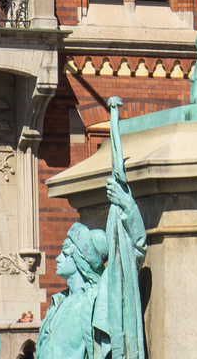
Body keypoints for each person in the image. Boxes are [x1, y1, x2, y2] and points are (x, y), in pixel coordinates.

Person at [36, 99, 146, 359]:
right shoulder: (58, 303)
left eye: (66, 252)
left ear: (81, 259)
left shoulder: (98, 298)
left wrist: (127, 205)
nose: (58, 258)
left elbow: (134, 251)